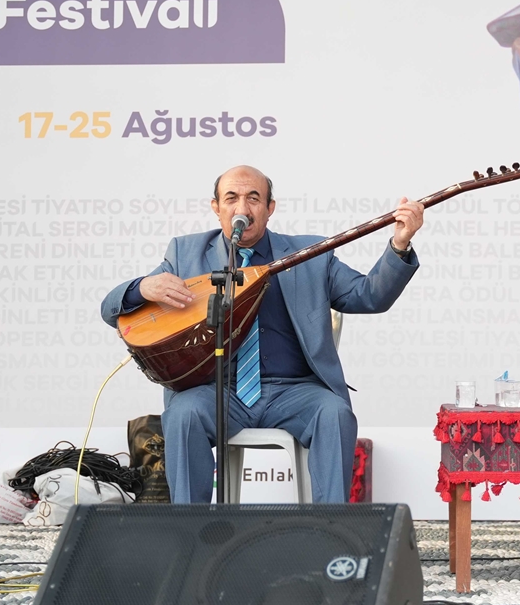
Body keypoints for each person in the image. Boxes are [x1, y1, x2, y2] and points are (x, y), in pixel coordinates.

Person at [101, 165, 424, 504]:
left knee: (335, 413)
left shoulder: (310, 255)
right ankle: (190, 533)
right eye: (232, 198)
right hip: (218, 392)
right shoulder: (185, 254)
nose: (242, 208)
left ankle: (331, 530)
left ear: (270, 208)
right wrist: (141, 288)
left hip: (295, 391)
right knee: (183, 414)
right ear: (216, 208)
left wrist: (399, 245)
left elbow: (370, 296)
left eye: (253, 198)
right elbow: (110, 309)